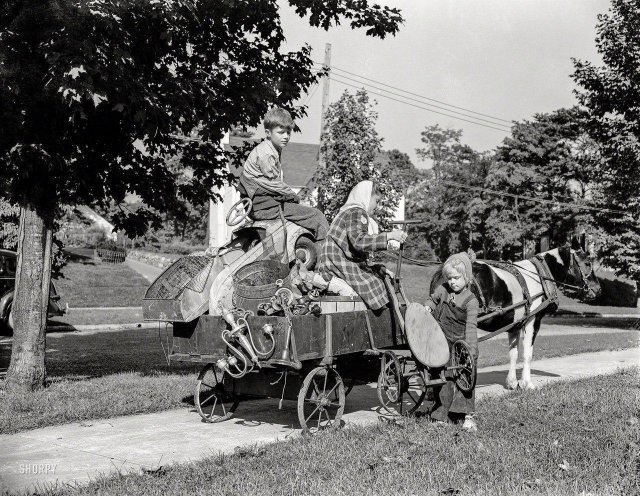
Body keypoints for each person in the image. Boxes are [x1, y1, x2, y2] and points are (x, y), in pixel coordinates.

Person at [238, 108, 329, 254]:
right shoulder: (267, 154)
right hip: (264, 207)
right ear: (268, 133)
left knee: (298, 209)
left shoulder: (270, 149)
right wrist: (294, 196)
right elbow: (275, 184)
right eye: (281, 132)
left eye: (288, 132)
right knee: (317, 216)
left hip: (261, 204)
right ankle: (324, 256)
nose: (286, 136)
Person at [317, 180, 407, 310]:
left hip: (336, 265)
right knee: (378, 286)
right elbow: (360, 242)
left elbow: (356, 256)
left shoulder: (346, 212)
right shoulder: (357, 212)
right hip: (337, 267)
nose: (377, 206)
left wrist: (380, 269)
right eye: (376, 201)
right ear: (366, 197)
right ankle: (382, 322)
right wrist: (390, 235)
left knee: (379, 276)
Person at [424, 252, 479, 431]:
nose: (452, 282)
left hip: (462, 343)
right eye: (449, 278)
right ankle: (441, 413)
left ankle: (467, 415)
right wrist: (428, 306)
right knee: (443, 375)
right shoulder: (443, 290)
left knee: (465, 377)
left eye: (456, 278)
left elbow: (471, 327)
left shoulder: (471, 301)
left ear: (467, 277)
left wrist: (470, 350)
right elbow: (433, 299)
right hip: (443, 339)